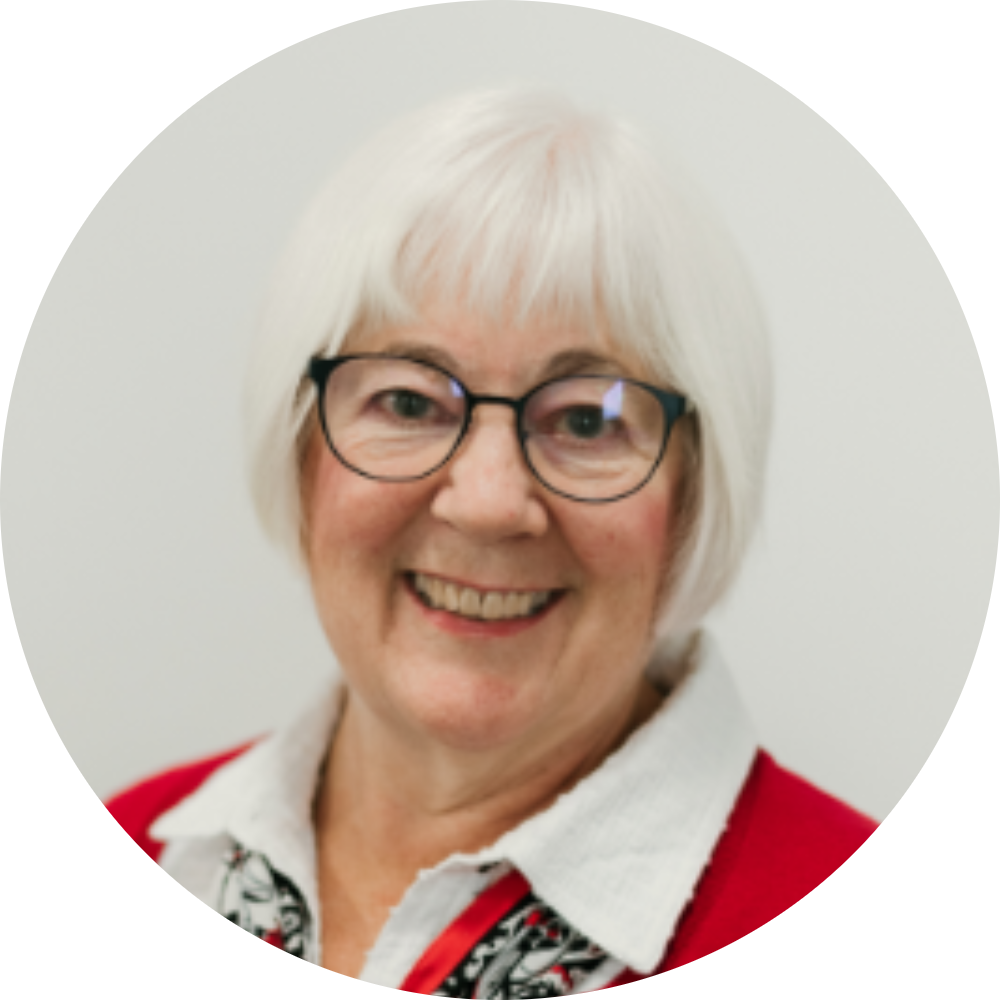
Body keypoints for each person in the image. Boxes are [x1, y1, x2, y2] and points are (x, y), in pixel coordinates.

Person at [107, 88, 876, 994]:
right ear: (301, 447)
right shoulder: (135, 854)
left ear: (698, 487)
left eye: (587, 420)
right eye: (407, 402)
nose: (488, 503)